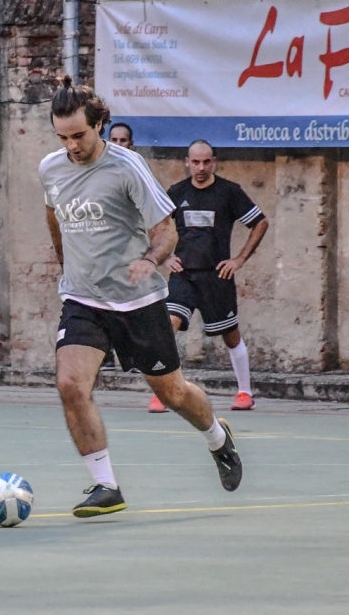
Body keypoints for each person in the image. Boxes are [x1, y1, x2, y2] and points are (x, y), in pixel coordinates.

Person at [40, 78, 243, 517]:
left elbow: (167, 230)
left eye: (79, 135)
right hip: (83, 299)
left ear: (99, 125)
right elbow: (53, 213)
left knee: (171, 392)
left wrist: (149, 261)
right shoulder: (51, 169)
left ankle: (217, 437)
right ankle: (105, 486)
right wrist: (64, 262)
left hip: (137, 302)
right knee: (70, 384)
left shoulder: (127, 167)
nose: (72, 146)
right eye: (63, 137)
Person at [147, 140, 269, 413]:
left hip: (217, 276)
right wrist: (165, 257)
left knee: (230, 335)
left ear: (214, 162)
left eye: (206, 162)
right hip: (183, 275)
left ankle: (245, 392)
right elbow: (156, 224)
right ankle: (164, 393)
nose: (200, 167)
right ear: (187, 163)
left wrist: (239, 259)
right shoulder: (177, 192)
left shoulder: (229, 192)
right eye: (195, 162)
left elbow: (260, 222)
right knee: (169, 325)